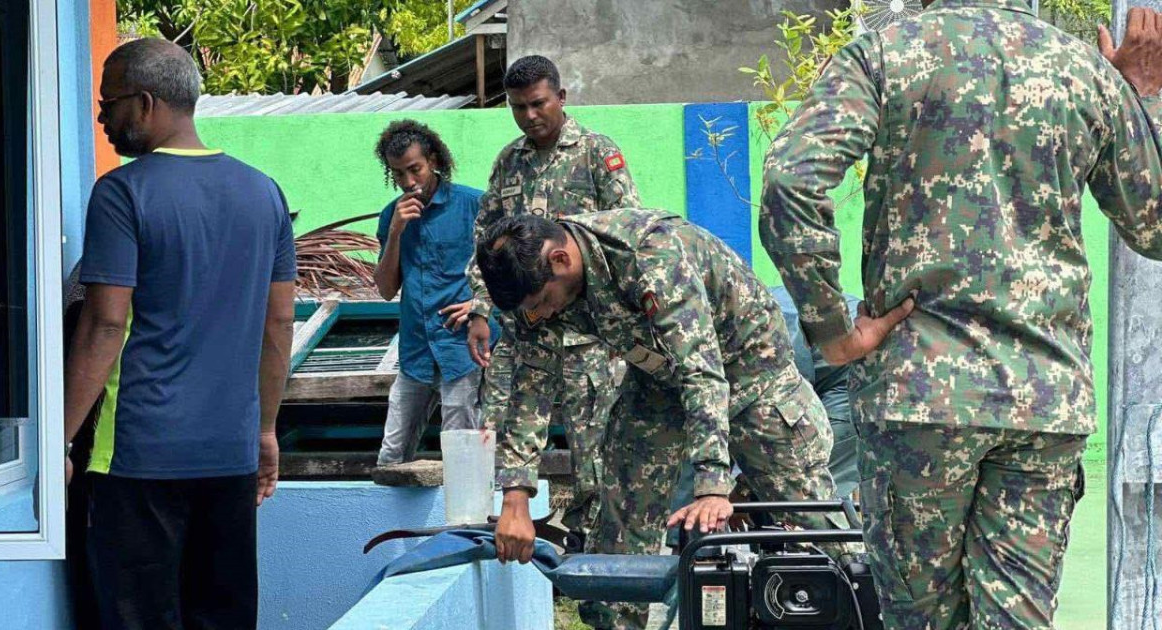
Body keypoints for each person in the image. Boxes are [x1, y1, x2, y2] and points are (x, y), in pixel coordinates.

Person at [758, 3, 1162, 627]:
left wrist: (831, 333)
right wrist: (1141, 99)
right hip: (1042, 397)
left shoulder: (885, 52)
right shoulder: (1084, 70)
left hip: (918, 394)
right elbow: (1153, 224)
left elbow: (791, 181)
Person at [479, 210, 894, 630]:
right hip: (657, 382)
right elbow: (530, 387)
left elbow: (702, 372)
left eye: (542, 302)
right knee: (622, 516)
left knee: (813, 517)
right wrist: (515, 498)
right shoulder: (530, 279)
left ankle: (872, 612)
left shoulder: (649, 254)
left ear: (560, 260)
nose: (544, 315)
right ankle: (617, 623)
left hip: (751, 373)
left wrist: (713, 486)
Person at [63, 38, 295, 630]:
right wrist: (265, 431)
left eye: (108, 104)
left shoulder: (122, 192)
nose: (102, 119)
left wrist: (57, 441)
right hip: (231, 455)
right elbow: (278, 323)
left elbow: (106, 322)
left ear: (144, 104)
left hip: (137, 457)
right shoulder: (265, 192)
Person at [464, 55, 641, 549]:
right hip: (526, 331)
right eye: (518, 107)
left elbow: (623, 234)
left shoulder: (597, 153)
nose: (529, 115)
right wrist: (480, 307)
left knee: (594, 450)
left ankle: (592, 544)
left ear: (561, 98)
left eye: (538, 103)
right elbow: (486, 244)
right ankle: (508, 525)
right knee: (506, 427)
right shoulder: (509, 162)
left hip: (588, 336)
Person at [665, 287, 861, 549]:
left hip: (852, 372)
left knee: (809, 495)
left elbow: (782, 438)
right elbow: (702, 444)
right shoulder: (692, 339)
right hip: (801, 357)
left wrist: (743, 490)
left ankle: (839, 563)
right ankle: (698, 555)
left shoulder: (758, 345)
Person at [372, 120, 489, 465]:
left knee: (461, 458)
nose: (409, 182)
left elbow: (511, 269)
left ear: (433, 161)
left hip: (462, 348)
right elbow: (385, 289)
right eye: (398, 174)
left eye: (415, 169)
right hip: (415, 350)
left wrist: (480, 304)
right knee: (390, 456)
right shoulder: (392, 216)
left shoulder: (473, 205)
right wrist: (396, 232)